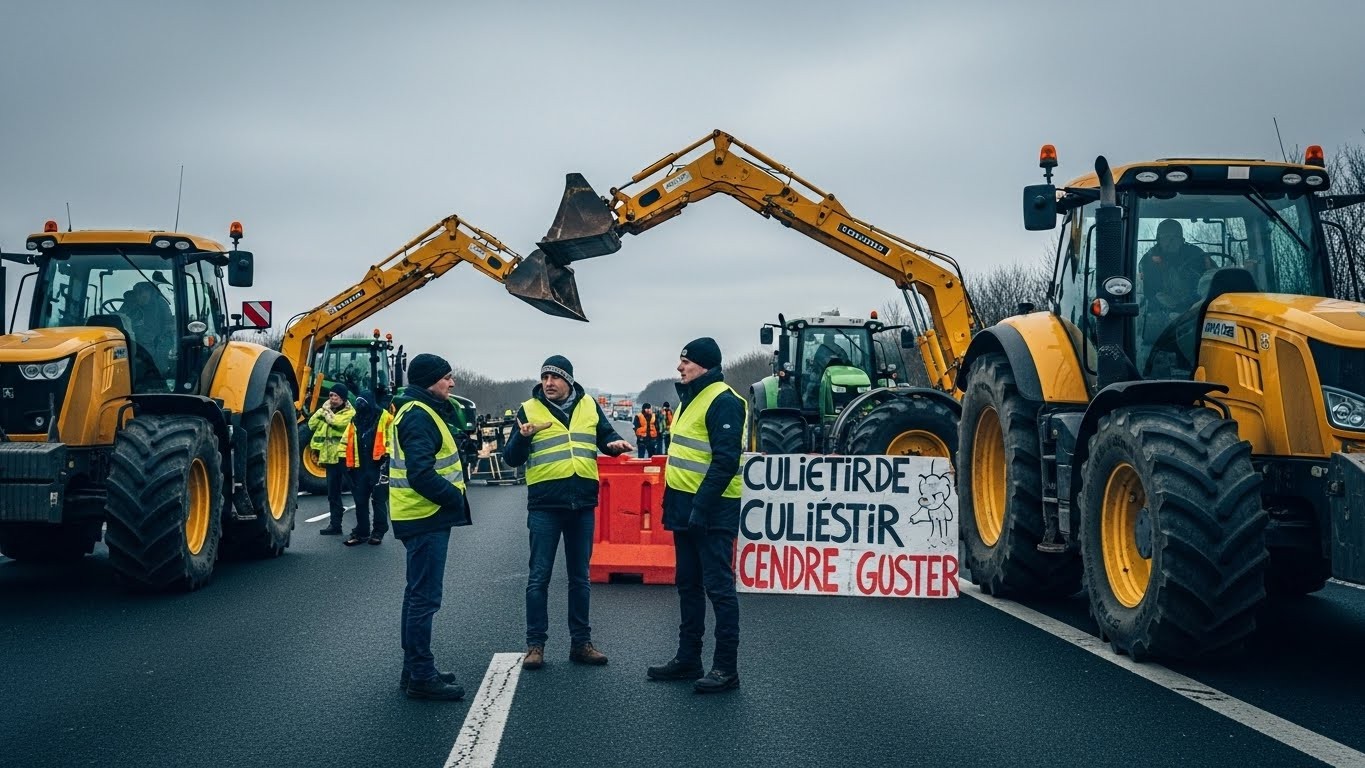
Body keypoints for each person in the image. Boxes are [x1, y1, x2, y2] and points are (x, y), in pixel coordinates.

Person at [503, 355, 633, 670]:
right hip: (546, 506)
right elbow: (511, 458)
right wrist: (523, 437)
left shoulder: (589, 405)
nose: (549, 383)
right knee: (538, 578)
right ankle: (535, 645)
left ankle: (581, 644)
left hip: (582, 505)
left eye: (556, 377)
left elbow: (605, 436)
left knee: (580, 578)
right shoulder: (528, 410)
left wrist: (614, 444)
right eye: (545, 377)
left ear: (569, 381)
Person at [647, 337, 748, 694]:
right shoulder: (691, 399)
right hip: (685, 508)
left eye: (685, 361)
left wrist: (701, 508)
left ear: (704, 365)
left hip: (711, 511)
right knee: (688, 585)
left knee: (718, 588)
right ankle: (688, 658)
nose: (679, 367)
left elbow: (724, 461)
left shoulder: (724, 401)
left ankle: (725, 668)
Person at [389, 353, 471, 701]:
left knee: (416, 595)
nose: (452, 383)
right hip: (425, 516)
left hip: (418, 516)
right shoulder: (420, 416)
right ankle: (421, 675)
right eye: (447, 377)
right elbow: (420, 474)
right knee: (424, 598)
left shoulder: (414, 410)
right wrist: (455, 497)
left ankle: (414, 669)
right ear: (429, 381)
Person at [1139, 219, 1214, 331]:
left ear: (1182, 239)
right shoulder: (1149, 260)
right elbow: (1150, 292)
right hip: (1160, 313)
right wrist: (1169, 305)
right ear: (1158, 239)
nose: (1171, 241)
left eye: (1176, 237)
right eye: (1166, 237)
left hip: (1197, 308)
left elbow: (1213, 276)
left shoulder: (1196, 254)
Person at [342, 389, 390, 546]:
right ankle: (362, 532)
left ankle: (378, 531)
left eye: (363, 402)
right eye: (358, 402)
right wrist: (345, 464)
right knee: (360, 501)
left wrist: (387, 463)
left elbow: (392, 441)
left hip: (378, 465)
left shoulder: (385, 418)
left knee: (378, 500)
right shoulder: (355, 420)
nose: (360, 405)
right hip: (359, 467)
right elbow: (346, 442)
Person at [308, 383, 355, 536]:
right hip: (329, 459)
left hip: (344, 457)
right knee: (332, 493)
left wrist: (326, 412)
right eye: (331, 396)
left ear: (343, 398)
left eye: (336, 396)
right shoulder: (325, 411)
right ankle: (335, 525)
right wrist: (322, 410)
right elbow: (311, 424)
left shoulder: (349, 413)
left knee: (356, 491)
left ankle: (362, 526)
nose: (332, 399)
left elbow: (337, 423)